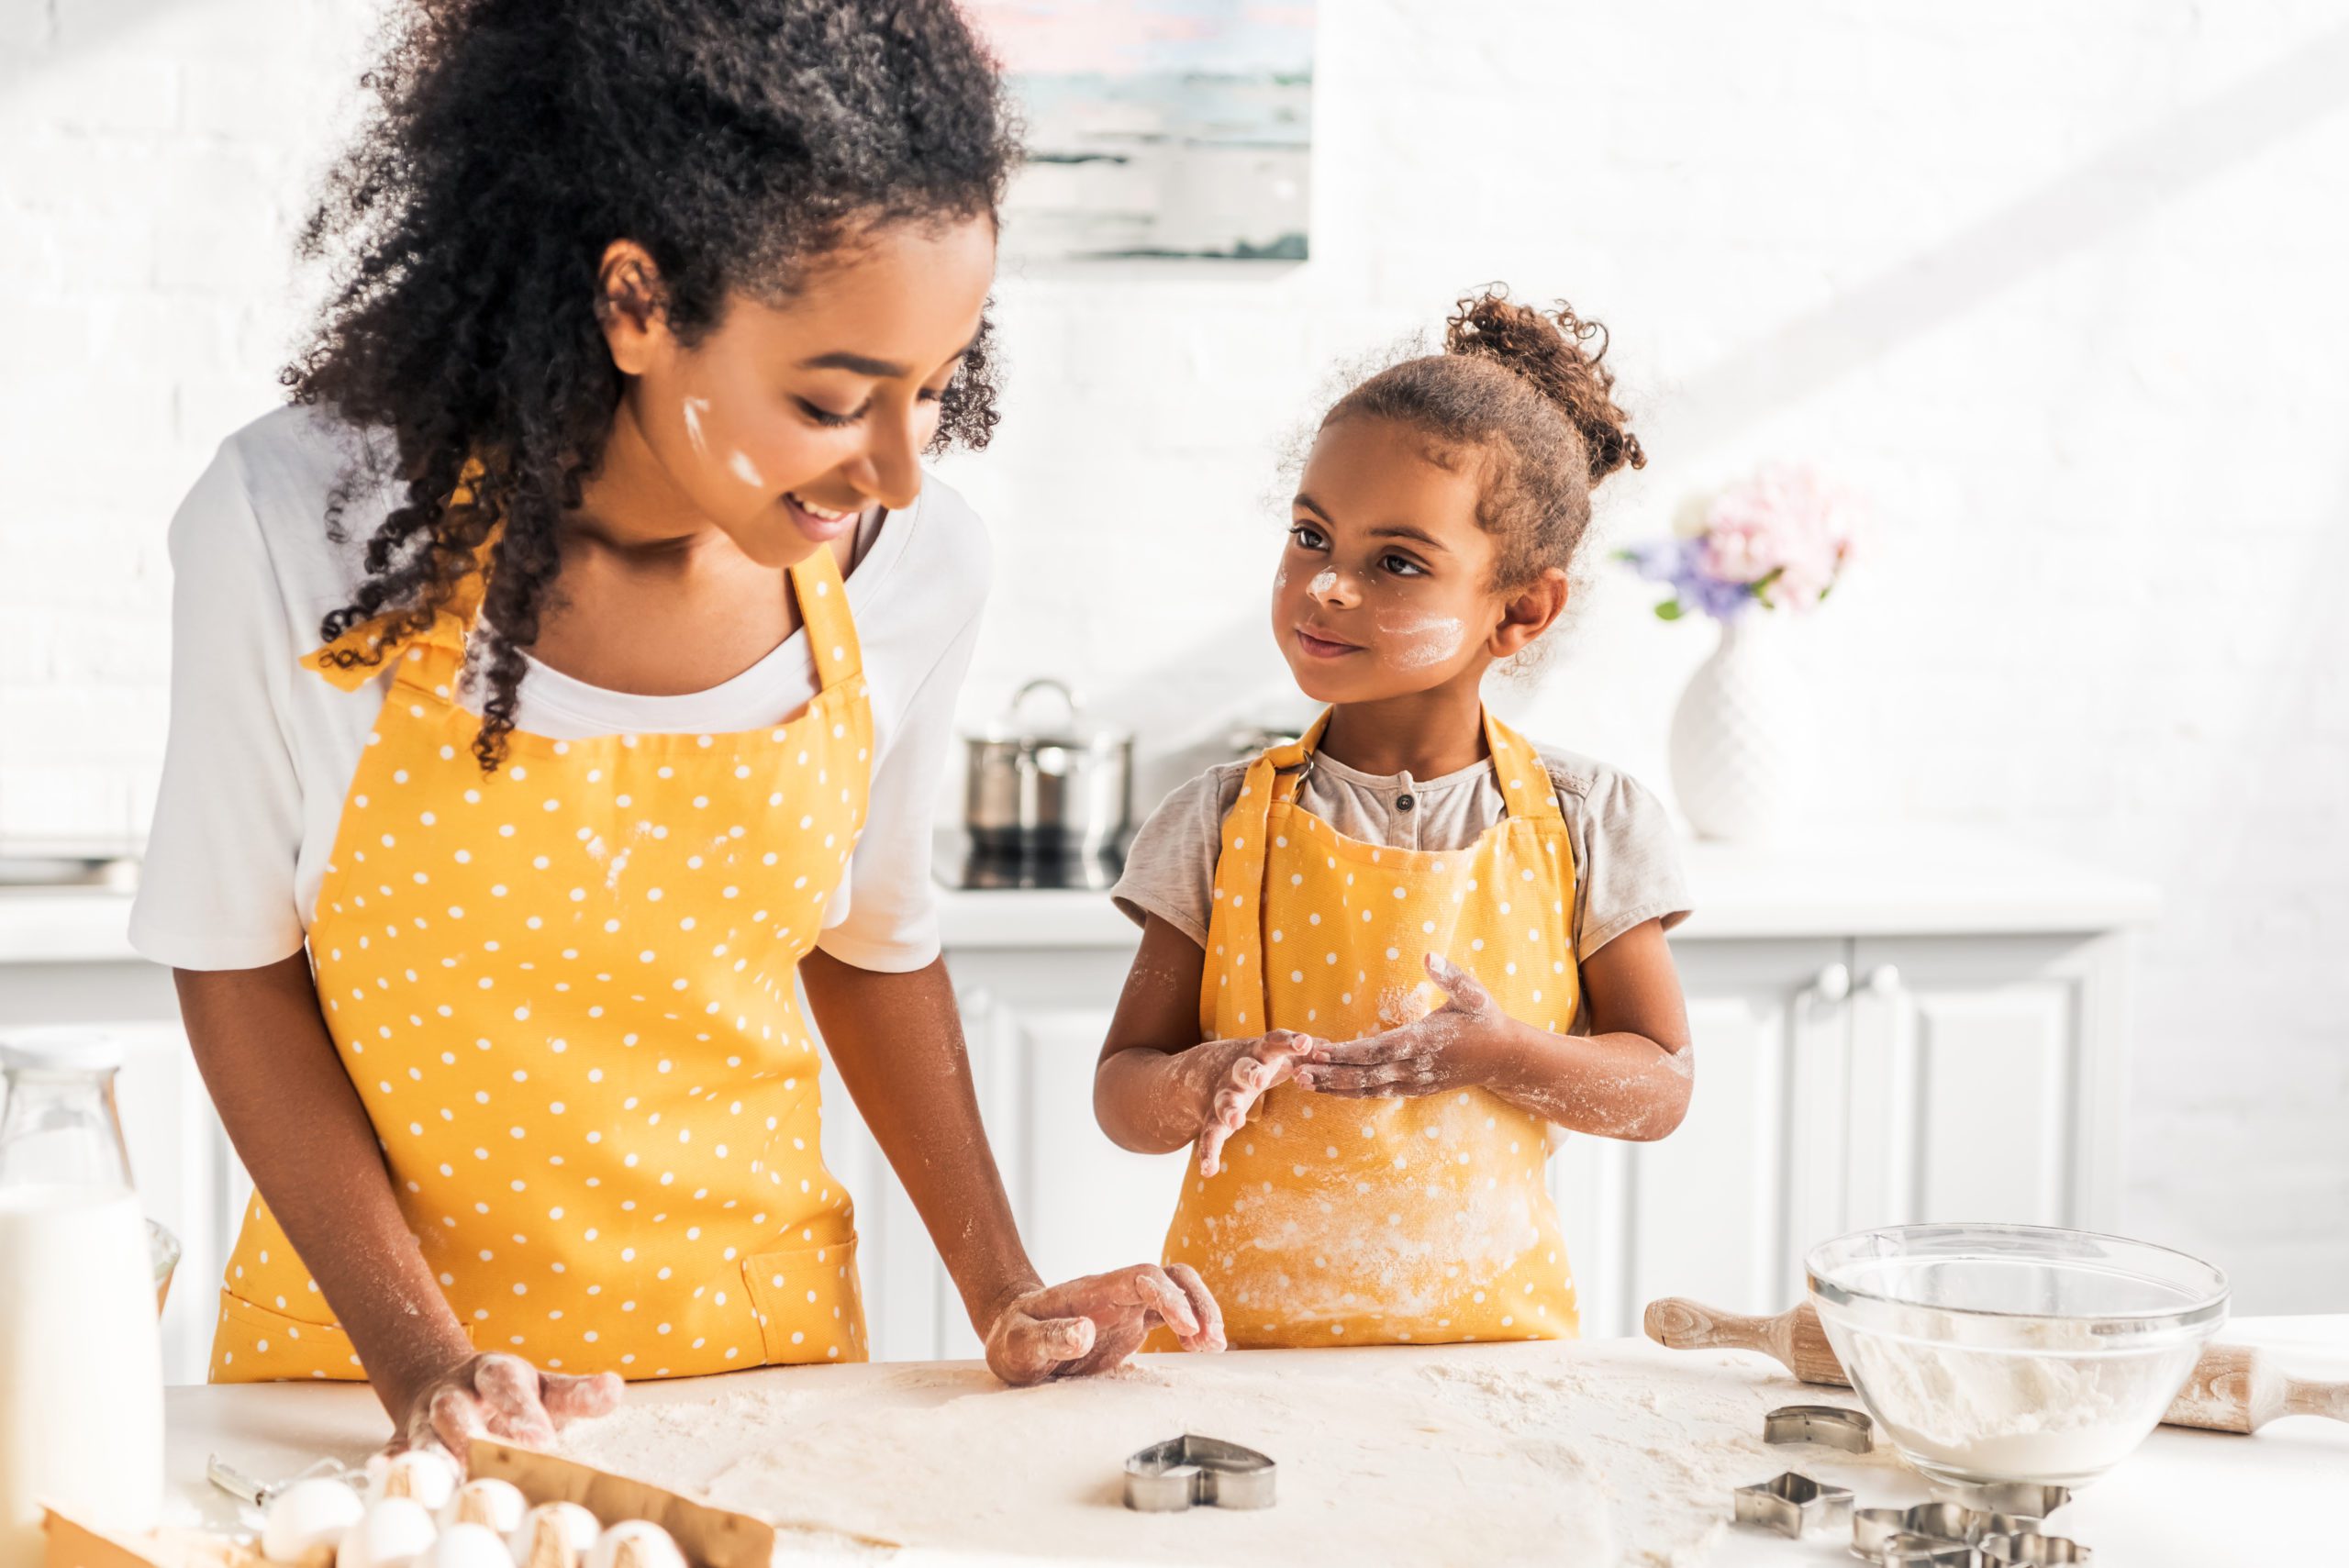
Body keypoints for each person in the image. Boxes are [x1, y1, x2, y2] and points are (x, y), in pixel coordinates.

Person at [129, 0, 1220, 1461]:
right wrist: (425, 1368)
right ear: (637, 303)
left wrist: (1007, 1292)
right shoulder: (299, 529)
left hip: (766, 1385)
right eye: (835, 398)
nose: (898, 465)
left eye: (938, 385)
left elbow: (875, 948)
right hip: (358, 1395)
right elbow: (234, 960)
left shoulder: (914, 567)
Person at [1095, 289, 1694, 1347]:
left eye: (1396, 562)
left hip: (1495, 1356)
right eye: (1310, 534)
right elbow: (1123, 1095)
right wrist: (1201, 1075)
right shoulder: (1219, 821)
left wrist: (1494, 1051)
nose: (1324, 585)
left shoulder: (1586, 821)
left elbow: (1655, 1091)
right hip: (1244, 1354)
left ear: (1520, 610)